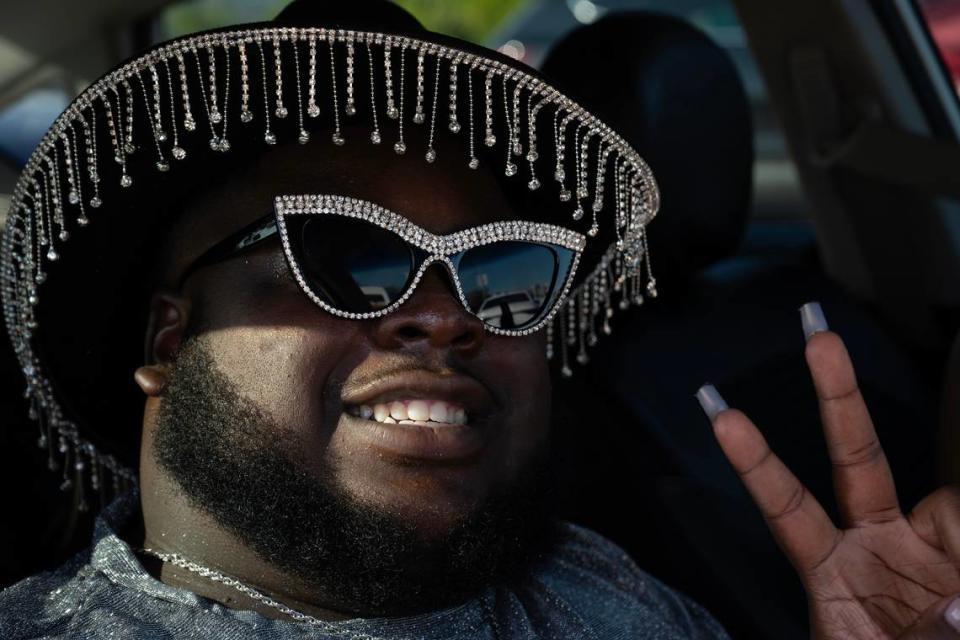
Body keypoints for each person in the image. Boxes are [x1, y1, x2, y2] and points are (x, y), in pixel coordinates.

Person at [0, 2, 958, 638]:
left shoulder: (611, 596)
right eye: (349, 254)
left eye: (505, 266)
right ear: (171, 339)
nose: (445, 316)